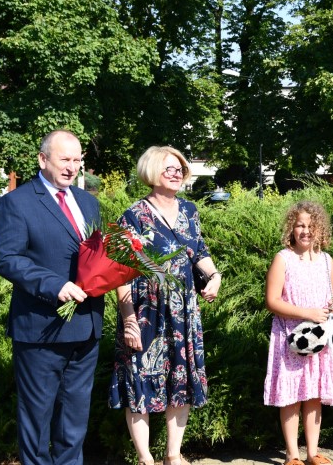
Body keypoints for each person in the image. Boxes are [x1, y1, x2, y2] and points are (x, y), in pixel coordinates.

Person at [0, 129, 103, 465]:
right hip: (41, 329)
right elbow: (7, 258)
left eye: (78, 160)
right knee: (37, 422)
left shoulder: (88, 202)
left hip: (86, 328)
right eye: (65, 159)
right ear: (43, 159)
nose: (72, 167)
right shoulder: (16, 202)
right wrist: (54, 285)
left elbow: (96, 256)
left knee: (74, 422)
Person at [109, 146, 222, 465]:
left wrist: (214, 275)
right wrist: (129, 319)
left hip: (183, 313)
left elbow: (199, 252)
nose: (176, 173)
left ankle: (174, 455)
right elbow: (119, 272)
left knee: (181, 381)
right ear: (151, 172)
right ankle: (145, 459)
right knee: (139, 382)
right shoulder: (131, 215)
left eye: (180, 169)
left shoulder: (190, 211)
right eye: (169, 168)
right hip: (145, 314)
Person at [264, 201, 333, 465]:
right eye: (300, 225)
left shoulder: (326, 261)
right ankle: (292, 454)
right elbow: (272, 301)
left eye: (311, 226)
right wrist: (307, 313)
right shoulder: (283, 259)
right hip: (290, 339)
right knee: (292, 395)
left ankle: (312, 452)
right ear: (291, 228)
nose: (306, 231)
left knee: (314, 394)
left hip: (319, 340)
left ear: (320, 230)